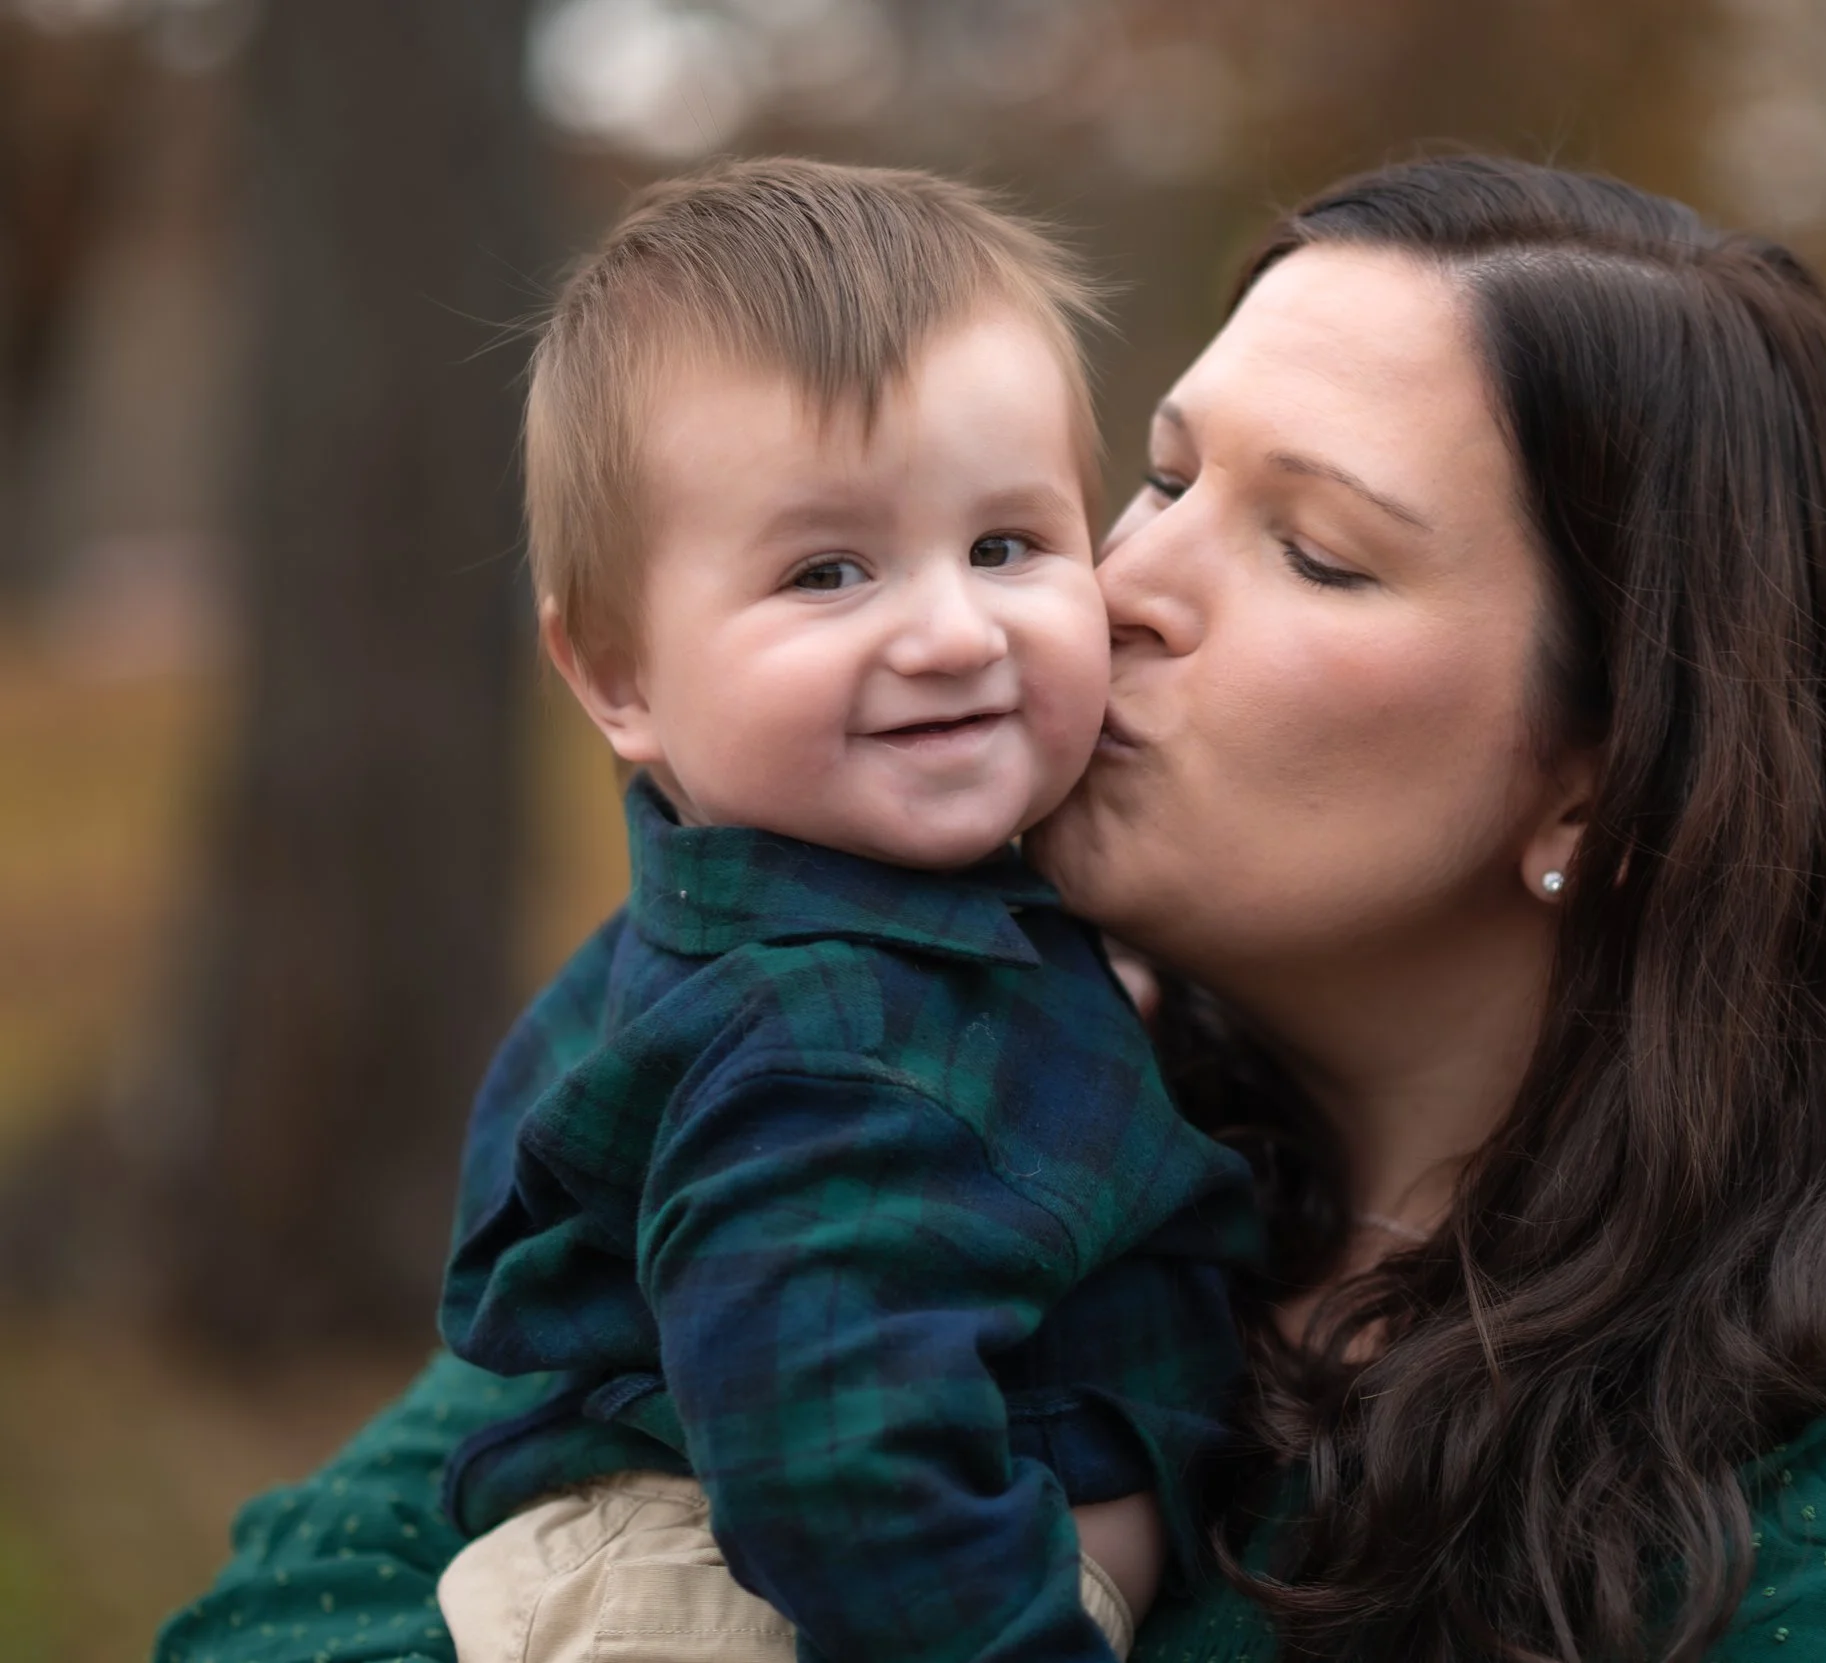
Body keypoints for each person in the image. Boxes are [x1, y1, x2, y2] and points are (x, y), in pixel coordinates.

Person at [155, 155, 1826, 1663]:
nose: (1113, 595)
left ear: (1602, 769)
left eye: (1312, 552)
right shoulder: (898, 1042)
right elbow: (282, 1613)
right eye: (1162, 479)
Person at [420, 158, 1260, 1663]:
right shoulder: (826, 1042)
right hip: (751, 1604)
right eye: (828, 570)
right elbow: (837, 1468)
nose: (949, 632)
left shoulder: (843, 930)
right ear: (618, 676)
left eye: (1007, 544)